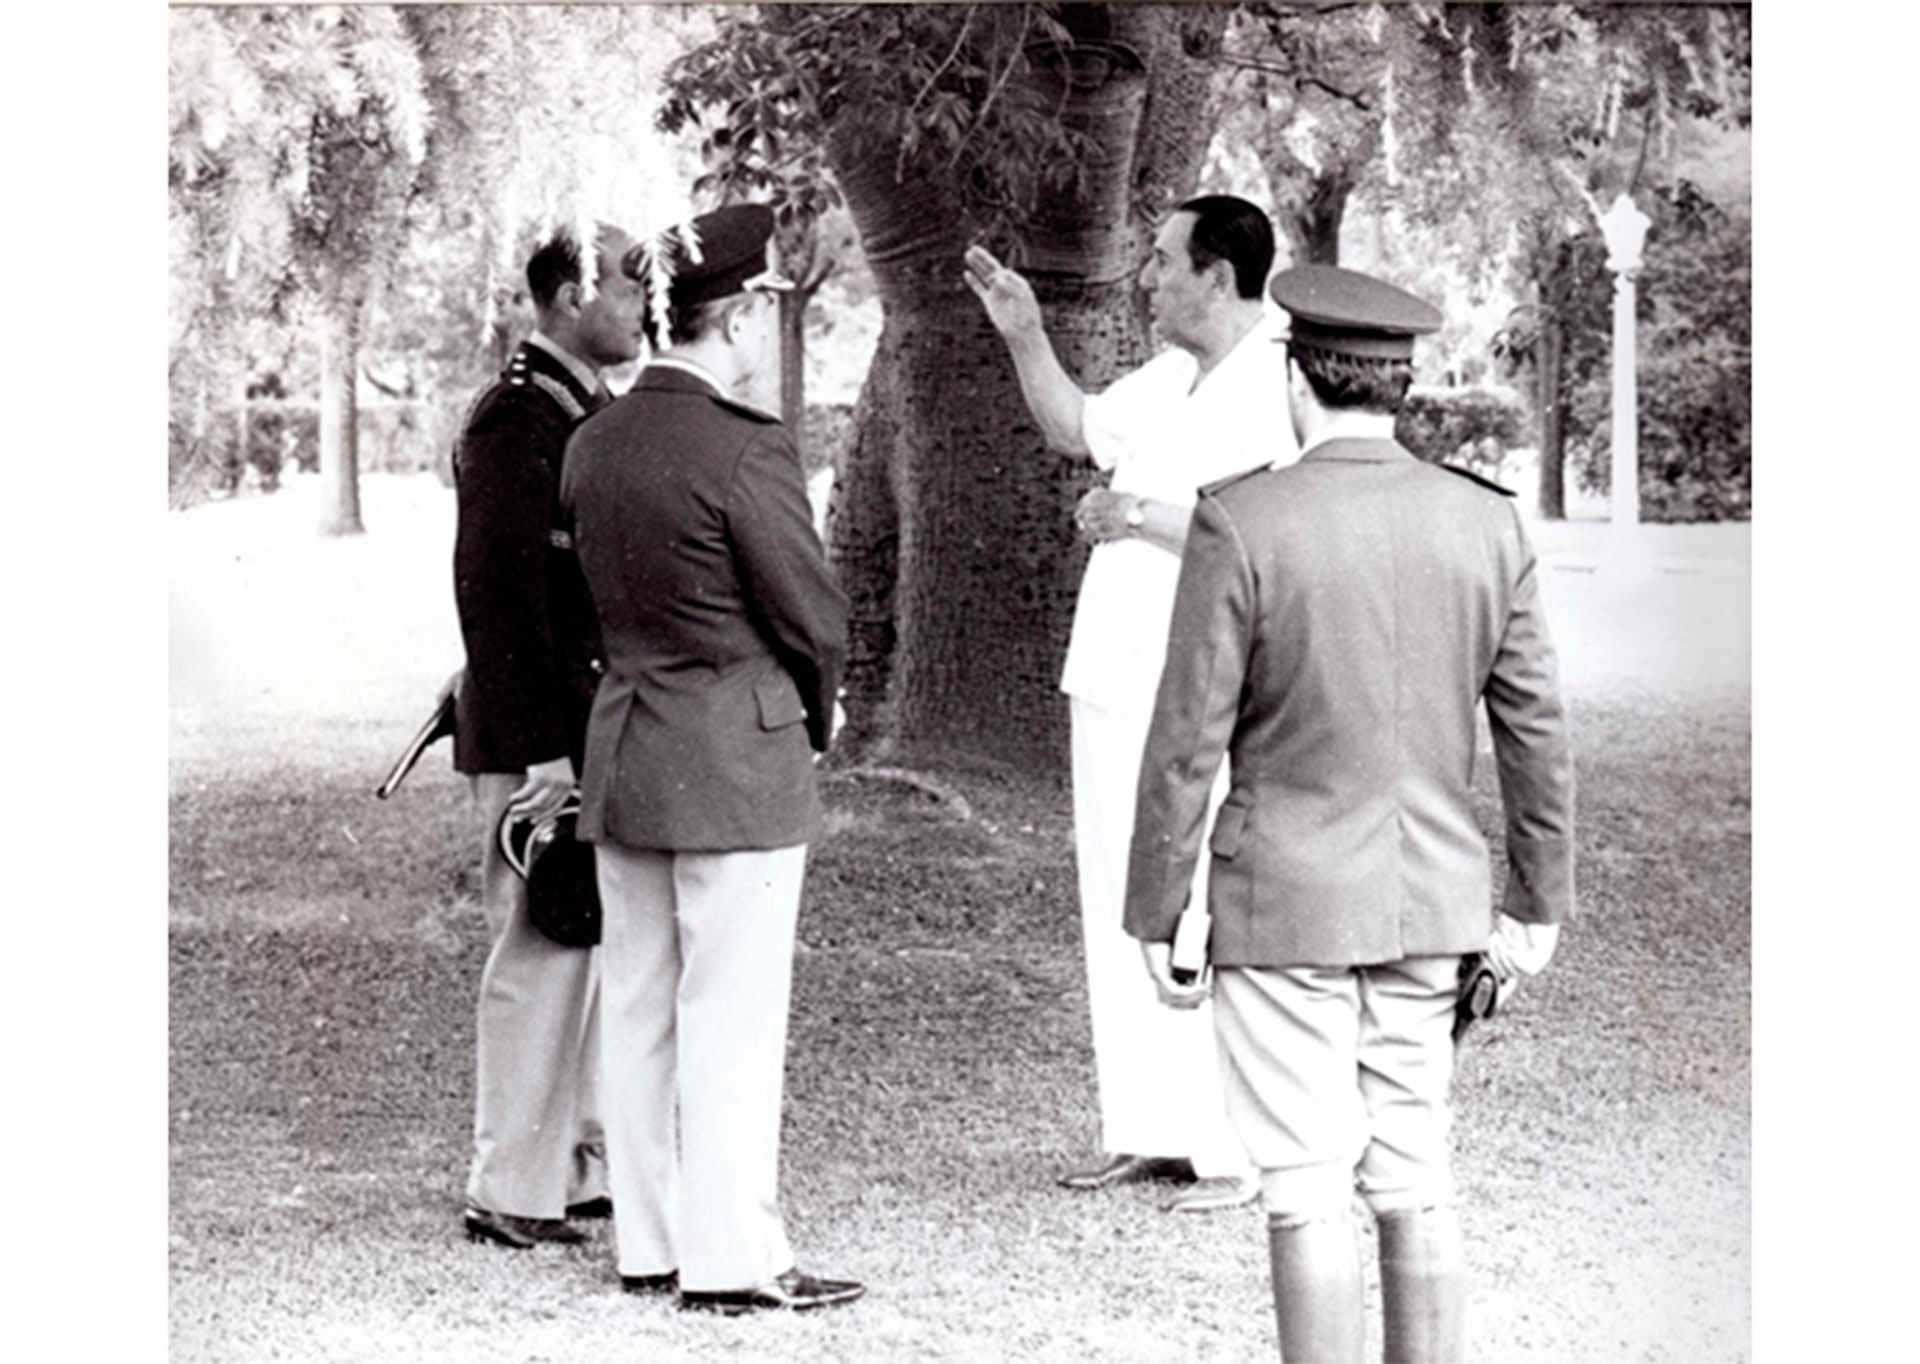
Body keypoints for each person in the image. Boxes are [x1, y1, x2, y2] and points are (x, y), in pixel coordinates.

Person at [1123, 264, 1576, 1362]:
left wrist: (1157, 908)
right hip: (1429, 898)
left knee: (1305, 1182)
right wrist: (1539, 901)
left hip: (1283, 898)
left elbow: (1189, 738)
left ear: (1296, 376)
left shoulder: (1241, 520)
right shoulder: (1485, 520)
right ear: (1401, 386)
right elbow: (1536, 729)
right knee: (1415, 1170)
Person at [559, 203, 863, 1314]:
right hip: (736, 754)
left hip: (629, 741)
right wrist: (811, 718)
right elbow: (815, 619)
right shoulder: (747, 448)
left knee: (638, 1003)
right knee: (731, 1014)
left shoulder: (592, 439)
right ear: (733, 319)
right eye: (761, 314)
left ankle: (651, 1240)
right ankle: (733, 1257)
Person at [963, 195, 1289, 1213]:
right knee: (1122, 898)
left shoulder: (1282, 381)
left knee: (1203, 899)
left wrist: (1135, 515)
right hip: (1111, 668)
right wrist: (1024, 331)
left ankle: (1238, 1145)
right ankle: (1150, 1125)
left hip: (1209, 679)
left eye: (1161, 261)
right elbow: (1074, 427)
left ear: (1218, 277)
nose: (1145, 276)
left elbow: (1275, 543)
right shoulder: (1164, 374)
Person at [450, 226, 649, 1250]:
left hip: (580, 727)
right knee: (540, 947)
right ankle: (510, 1185)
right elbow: (497, 601)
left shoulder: (575, 407)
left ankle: (562, 1169)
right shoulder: (517, 418)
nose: (645, 300)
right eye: (630, 280)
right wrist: (539, 755)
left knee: (581, 949)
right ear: (571, 294)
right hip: (542, 736)